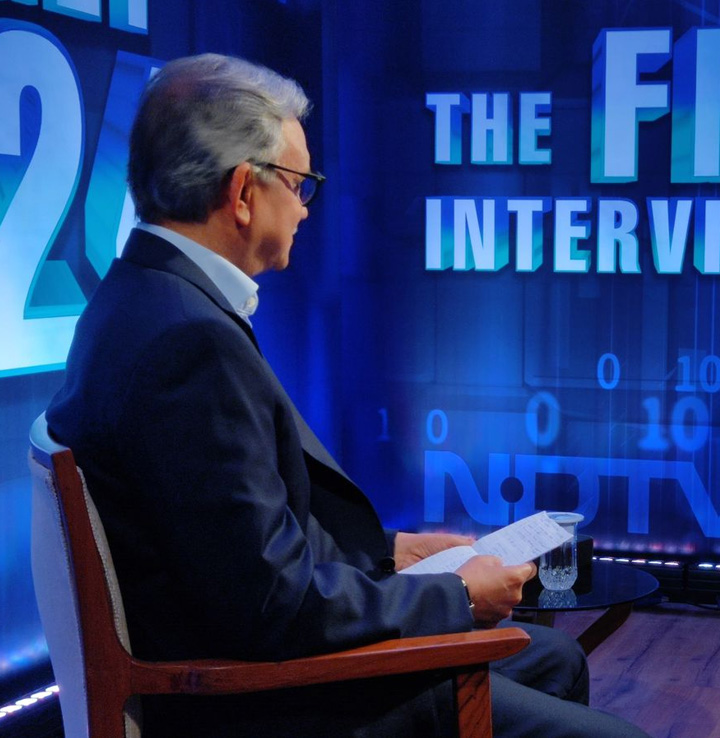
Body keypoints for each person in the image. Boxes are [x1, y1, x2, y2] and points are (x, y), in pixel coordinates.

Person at [45, 53, 647, 738]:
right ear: (242, 192)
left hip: (253, 661)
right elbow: (271, 603)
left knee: (552, 657)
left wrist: (392, 554)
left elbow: (238, 545)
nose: (305, 209)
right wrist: (455, 593)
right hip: (261, 703)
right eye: (298, 184)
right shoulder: (188, 341)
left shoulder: (140, 299)